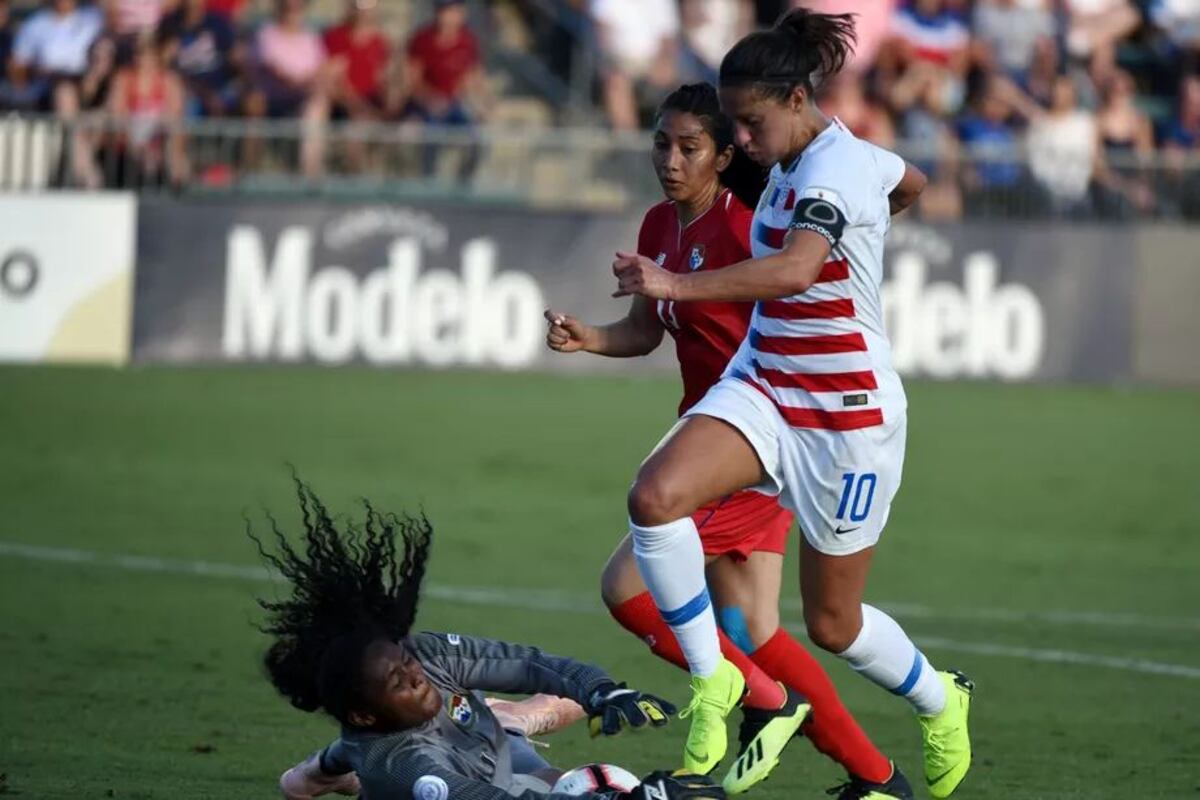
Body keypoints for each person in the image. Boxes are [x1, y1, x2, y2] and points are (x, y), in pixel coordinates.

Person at [606, 10, 974, 800]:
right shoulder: (809, 157)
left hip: (846, 416)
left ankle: (941, 698)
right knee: (654, 499)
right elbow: (909, 183)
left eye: (750, 122)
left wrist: (674, 284)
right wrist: (870, 229)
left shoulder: (835, 172)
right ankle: (715, 677)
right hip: (766, 384)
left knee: (834, 625)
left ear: (798, 100)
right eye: (733, 123)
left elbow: (798, 269)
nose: (739, 140)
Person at [545, 82, 913, 800]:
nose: (671, 160)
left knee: (627, 588)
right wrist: (590, 338)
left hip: (755, 443)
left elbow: (803, 282)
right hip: (712, 441)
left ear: (723, 156)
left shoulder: (753, 225)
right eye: (661, 143)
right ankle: (878, 778)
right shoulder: (659, 224)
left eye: (690, 147)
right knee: (755, 632)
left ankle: (762, 701)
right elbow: (647, 331)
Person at [253, 478, 720, 800]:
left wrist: (601, 691)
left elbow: (530, 665)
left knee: (570, 702)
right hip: (476, 774)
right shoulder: (402, 767)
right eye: (398, 682)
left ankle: (322, 771)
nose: (416, 676)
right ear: (364, 713)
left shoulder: (421, 658)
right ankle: (508, 721)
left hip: (481, 744)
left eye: (406, 664)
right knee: (563, 782)